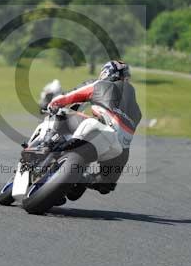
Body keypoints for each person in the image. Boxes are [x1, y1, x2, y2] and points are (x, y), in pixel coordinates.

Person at [47, 60, 142, 195]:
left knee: (62, 115)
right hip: (121, 151)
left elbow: (70, 96)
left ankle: (47, 144)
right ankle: (83, 180)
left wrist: (54, 103)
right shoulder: (136, 109)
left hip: (98, 128)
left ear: (105, 73)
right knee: (104, 184)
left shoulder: (101, 84)